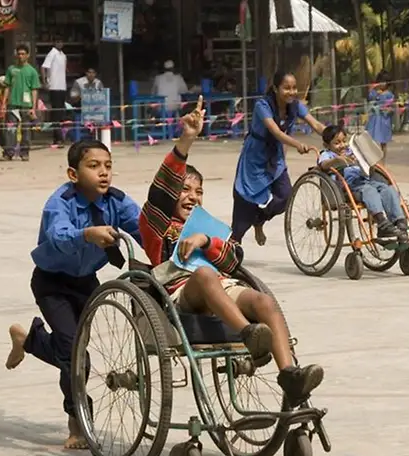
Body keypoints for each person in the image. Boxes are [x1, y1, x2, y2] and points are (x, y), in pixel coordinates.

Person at [139, 98, 324, 406]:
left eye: (198, 192)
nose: (192, 197)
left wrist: (206, 241)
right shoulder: (156, 222)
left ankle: (290, 375)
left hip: (222, 289)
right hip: (181, 293)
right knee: (204, 274)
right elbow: (162, 189)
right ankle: (250, 335)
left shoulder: (205, 225)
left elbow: (234, 258)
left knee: (263, 300)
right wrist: (187, 139)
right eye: (185, 190)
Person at [4, 139, 143, 449]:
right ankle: (77, 420)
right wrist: (87, 234)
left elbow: (143, 227)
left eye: (107, 166)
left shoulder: (116, 202)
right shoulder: (61, 202)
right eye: (93, 166)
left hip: (85, 284)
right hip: (52, 283)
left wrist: (172, 237)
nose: (103, 173)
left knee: (76, 353)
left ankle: (29, 341)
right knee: (73, 351)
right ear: (73, 173)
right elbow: (58, 236)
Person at [230, 70, 325, 246]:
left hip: (276, 160)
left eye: (294, 88)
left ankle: (260, 219)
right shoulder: (262, 105)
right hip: (254, 159)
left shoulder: (296, 106)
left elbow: (316, 124)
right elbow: (275, 132)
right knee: (245, 206)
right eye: (286, 88)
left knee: (285, 196)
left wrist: (335, 136)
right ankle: (233, 246)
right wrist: (297, 144)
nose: (292, 92)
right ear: (275, 88)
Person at [318, 124, 408, 242]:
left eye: (344, 141)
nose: (342, 145)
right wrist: (336, 160)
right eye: (337, 143)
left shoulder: (351, 151)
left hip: (366, 180)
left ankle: (399, 221)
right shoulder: (328, 154)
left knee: (388, 189)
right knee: (369, 191)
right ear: (327, 145)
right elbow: (322, 165)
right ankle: (381, 221)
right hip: (349, 187)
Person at [0, 44, 41, 161]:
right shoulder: (11, 69)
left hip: (26, 105)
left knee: (26, 130)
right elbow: (7, 86)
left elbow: (34, 90)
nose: (21, 56)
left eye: (23, 54)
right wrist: (4, 103)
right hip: (13, 103)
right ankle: (9, 152)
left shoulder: (32, 71)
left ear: (28, 55)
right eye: (19, 54)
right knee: (10, 130)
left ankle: (24, 152)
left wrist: (33, 107)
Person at [42, 39, 68, 146]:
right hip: (54, 86)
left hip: (62, 86)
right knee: (56, 113)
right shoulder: (52, 53)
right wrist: (44, 82)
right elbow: (44, 67)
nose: (60, 43)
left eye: (61, 41)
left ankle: (58, 137)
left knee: (60, 113)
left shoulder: (63, 55)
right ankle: (58, 138)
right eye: (57, 41)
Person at [366, 71, 395, 161]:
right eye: (380, 81)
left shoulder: (389, 94)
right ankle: (373, 160)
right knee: (370, 140)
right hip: (374, 119)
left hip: (384, 120)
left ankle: (383, 161)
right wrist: (371, 90)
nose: (382, 84)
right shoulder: (375, 93)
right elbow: (369, 99)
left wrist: (388, 110)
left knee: (383, 142)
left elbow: (391, 107)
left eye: (384, 81)